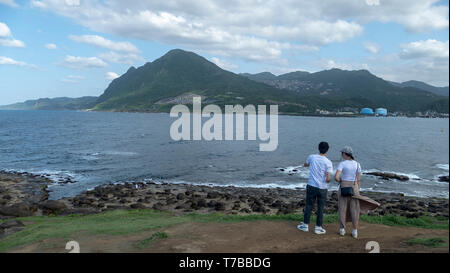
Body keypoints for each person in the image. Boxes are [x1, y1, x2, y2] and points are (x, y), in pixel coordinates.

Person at [297, 141, 333, 235]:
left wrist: (306, 165)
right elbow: (328, 178)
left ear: (318, 148)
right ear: (327, 150)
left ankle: (305, 225)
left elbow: (306, 164)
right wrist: (328, 180)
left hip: (311, 186)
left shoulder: (312, 157)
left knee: (309, 205)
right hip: (322, 188)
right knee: (320, 208)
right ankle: (318, 228)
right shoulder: (328, 162)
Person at [334, 146, 361, 238]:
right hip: (354, 187)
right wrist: (358, 190)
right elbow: (358, 179)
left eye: (342, 153)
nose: (341, 154)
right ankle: (355, 231)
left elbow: (336, 177)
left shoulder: (342, 164)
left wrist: (341, 181)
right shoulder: (357, 164)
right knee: (355, 209)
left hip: (344, 186)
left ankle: (342, 229)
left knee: (342, 208)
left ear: (345, 154)